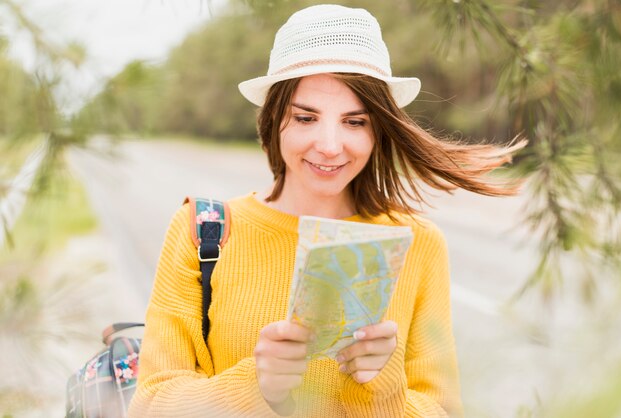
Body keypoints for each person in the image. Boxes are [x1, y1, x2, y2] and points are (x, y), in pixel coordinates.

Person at [129, 4, 525, 417]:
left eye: (355, 122)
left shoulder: (418, 243)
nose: (331, 145)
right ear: (273, 119)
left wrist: (382, 385)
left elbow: (442, 410)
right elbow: (150, 406)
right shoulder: (204, 231)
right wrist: (256, 387)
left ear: (378, 129)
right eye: (306, 117)